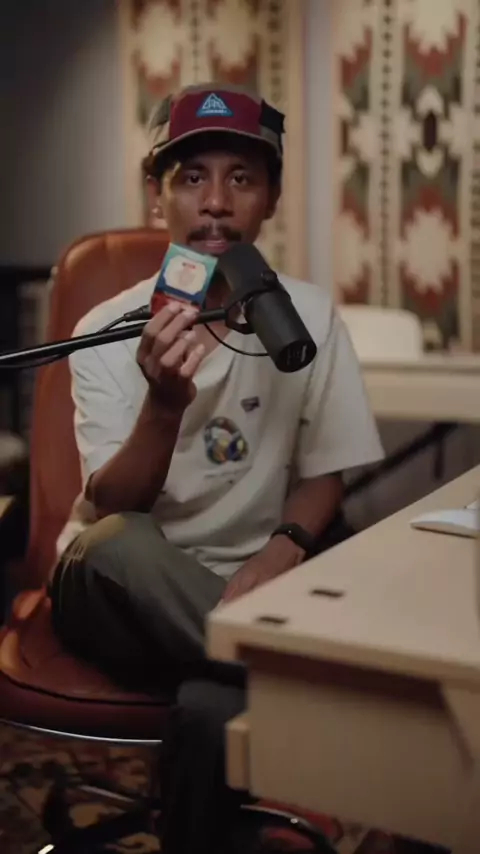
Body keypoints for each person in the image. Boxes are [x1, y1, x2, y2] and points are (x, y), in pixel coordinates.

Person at [49, 82, 384, 853]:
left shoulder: (307, 317)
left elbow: (326, 471)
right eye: (192, 177)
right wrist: (163, 407)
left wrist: (282, 548)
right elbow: (114, 506)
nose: (215, 204)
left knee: (210, 705)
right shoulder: (105, 327)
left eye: (242, 178)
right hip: (116, 586)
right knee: (121, 543)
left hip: (246, 589)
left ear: (270, 199)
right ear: (157, 195)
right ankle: (327, 689)